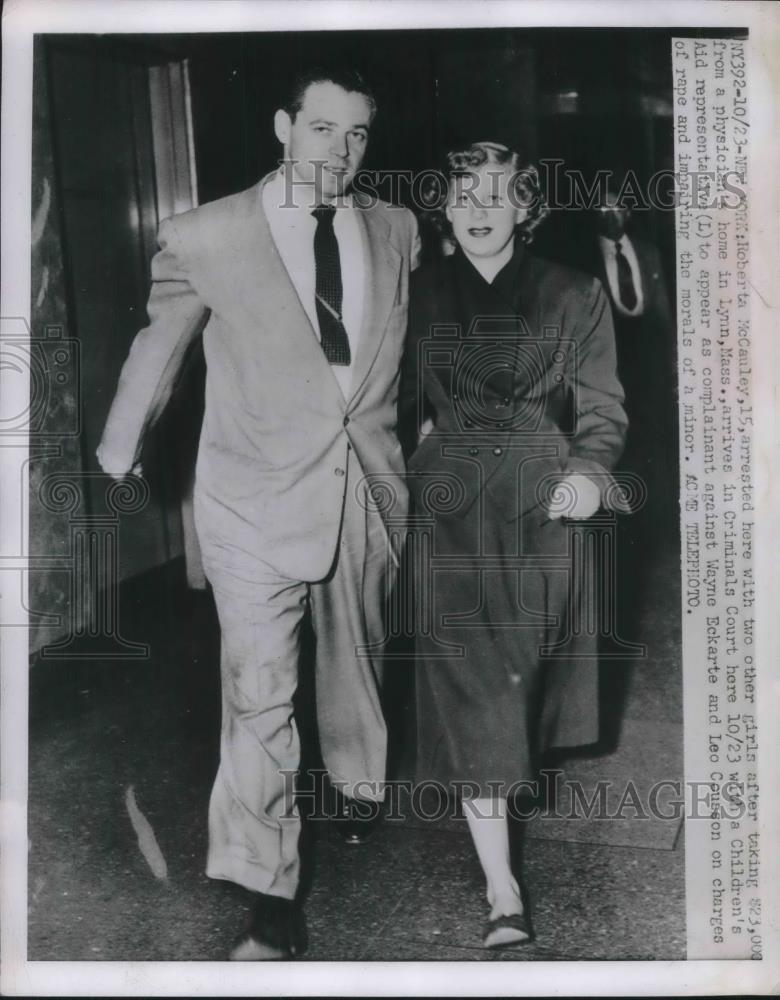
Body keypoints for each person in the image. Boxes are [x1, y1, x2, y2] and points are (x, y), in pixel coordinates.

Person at [97, 66, 419, 960]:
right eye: (322, 130)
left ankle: (356, 786)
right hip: (249, 499)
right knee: (259, 692)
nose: (340, 152)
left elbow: (404, 351)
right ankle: (268, 891)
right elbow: (157, 347)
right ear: (284, 127)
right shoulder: (209, 234)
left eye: (357, 135)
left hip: (364, 488)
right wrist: (120, 453)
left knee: (357, 660)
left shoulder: (396, 229)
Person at [400, 141, 629, 949]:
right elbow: (389, 405)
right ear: (447, 207)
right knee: (478, 705)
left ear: (526, 208)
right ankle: (504, 891)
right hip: (450, 511)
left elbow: (602, 411)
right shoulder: (415, 293)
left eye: (500, 193)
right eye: (466, 191)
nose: (481, 205)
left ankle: (506, 840)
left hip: (543, 508)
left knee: (520, 698)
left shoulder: (576, 292)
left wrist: (589, 474)